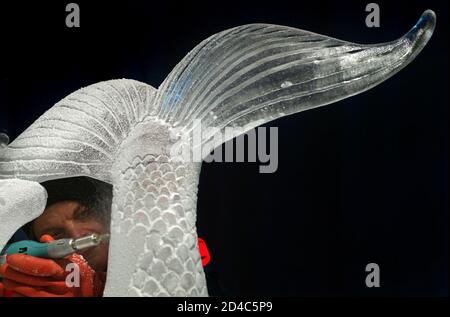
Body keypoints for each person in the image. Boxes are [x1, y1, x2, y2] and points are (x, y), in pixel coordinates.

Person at [0, 177, 213, 297]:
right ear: (39, 244)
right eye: (56, 233)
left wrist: (101, 288)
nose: (75, 235)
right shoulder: (31, 285)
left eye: (83, 215)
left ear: (108, 212)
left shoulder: (166, 246)